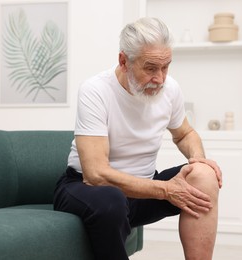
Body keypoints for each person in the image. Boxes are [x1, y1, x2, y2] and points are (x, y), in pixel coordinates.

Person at [53, 17, 222, 260]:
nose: (160, 78)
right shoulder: (95, 91)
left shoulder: (170, 89)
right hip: (86, 189)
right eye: (151, 68)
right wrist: (165, 190)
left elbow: (185, 133)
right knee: (112, 198)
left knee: (203, 175)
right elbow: (96, 174)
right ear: (124, 61)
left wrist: (198, 160)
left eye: (166, 67)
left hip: (143, 191)